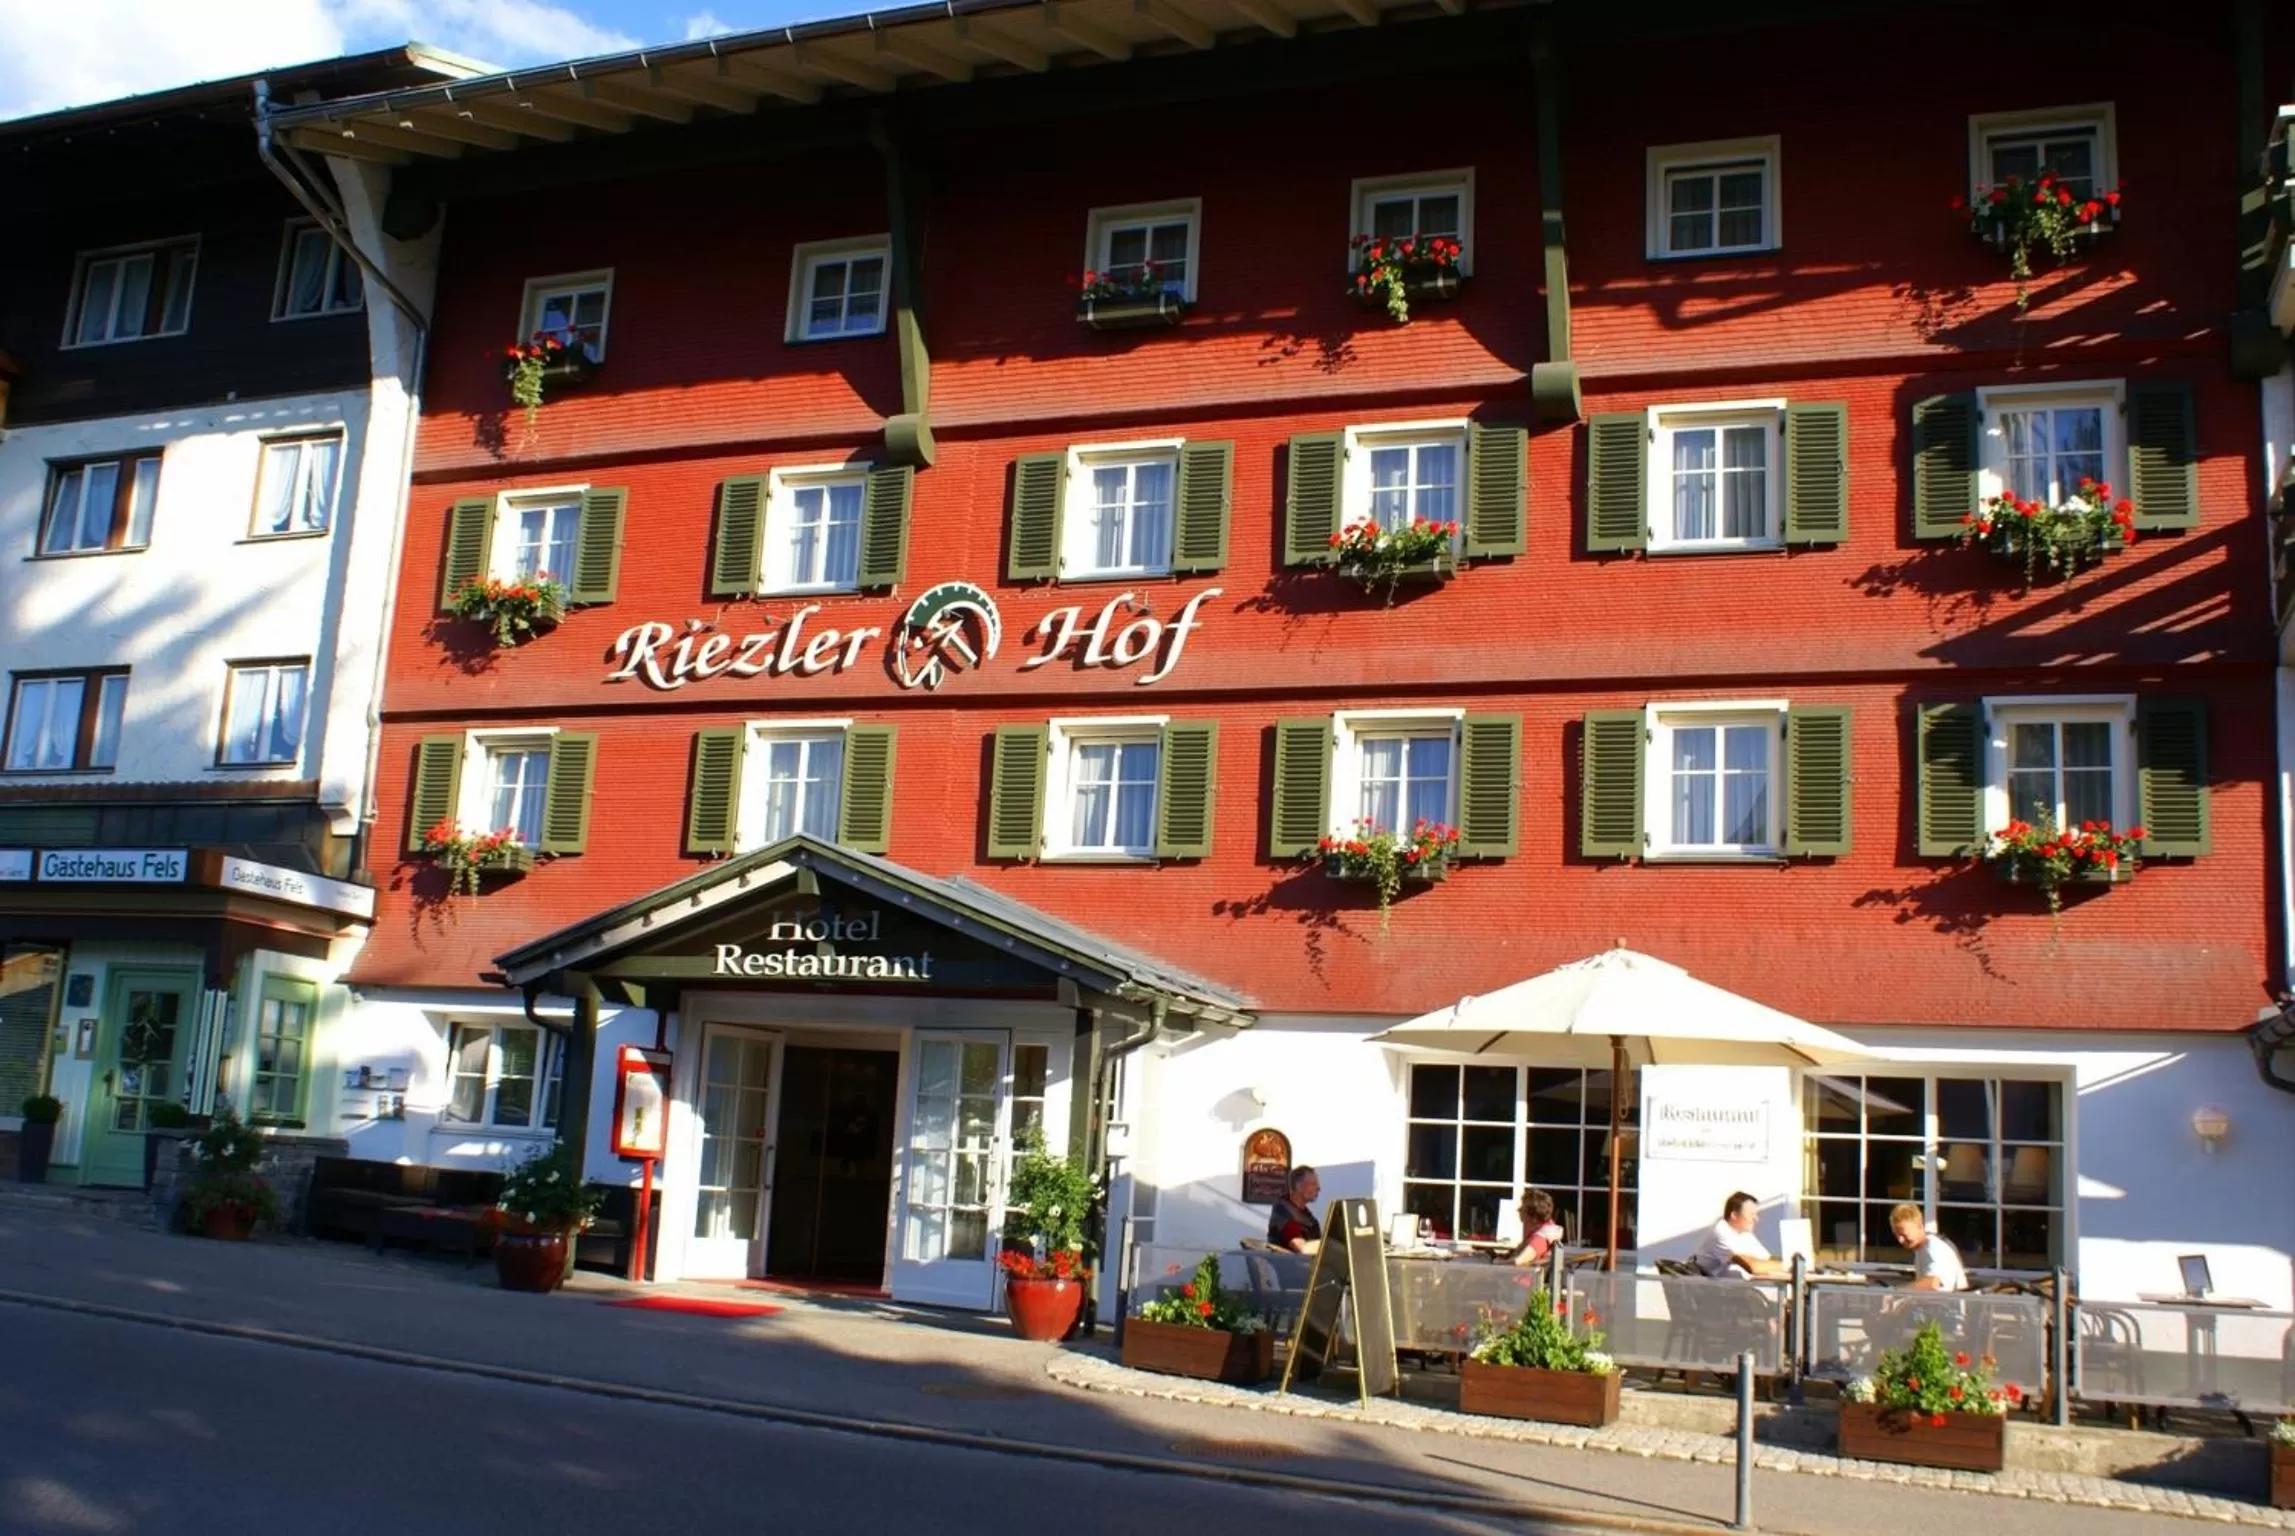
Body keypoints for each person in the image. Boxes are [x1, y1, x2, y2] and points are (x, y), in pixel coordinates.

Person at [1695, 1191, 1790, 1279]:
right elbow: (1754, 1266)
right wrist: (1790, 1266)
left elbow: (1767, 1259)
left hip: (1724, 1283)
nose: (1756, 1219)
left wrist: (1792, 1262)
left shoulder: (1745, 1233)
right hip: (1704, 1283)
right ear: (1734, 1215)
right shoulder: (1722, 1231)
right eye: (1751, 1214)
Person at [1889, 1204, 1969, 1292]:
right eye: (1896, 1235)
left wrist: (1897, 1292)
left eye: (1904, 1234)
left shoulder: (1934, 1247)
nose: (1900, 1240)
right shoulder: (1922, 1248)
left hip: (1949, 1299)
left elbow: (1932, 1283)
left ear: (1919, 1226)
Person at [1267, 1166, 1322, 1253]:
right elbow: (1302, 1248)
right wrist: (1326, 1247)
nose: (1318, 1188)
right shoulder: (1283, 1212)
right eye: (1313, 1183)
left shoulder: (1310, 1219)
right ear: (1298, 1186)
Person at [1507, 1188, 1566, 1268]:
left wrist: (1495, 1262)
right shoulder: (1543, 1229)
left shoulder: (1540, 1237)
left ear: (1533, 1215)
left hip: (1523, 1275)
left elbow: (1518, 1261)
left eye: (1522, 1208)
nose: (1518, 1210)